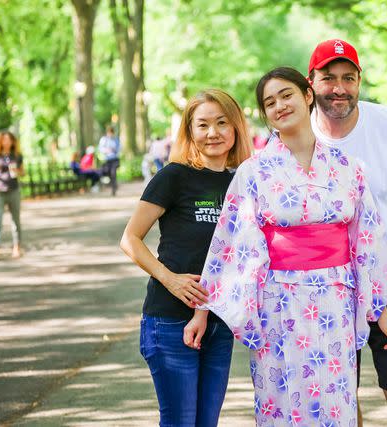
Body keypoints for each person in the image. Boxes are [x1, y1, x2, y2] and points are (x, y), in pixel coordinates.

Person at [184, 67, 387, 426]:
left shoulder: (349, 168)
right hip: (279, 303)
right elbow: (231, 246)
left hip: (336, 299)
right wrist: (202, 311)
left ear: (306, 95)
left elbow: (367, 240)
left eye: (286, 95)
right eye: (269, 103)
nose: (279, 106)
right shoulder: (254, 172)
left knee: (336, 398)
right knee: (281, 401)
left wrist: (382, 312)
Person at [308, 39, 387, 427]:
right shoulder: (299, 136)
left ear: (360, 80)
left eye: (349, 78)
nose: (339, 88)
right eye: (328, 78)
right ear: (310, 82)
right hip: (329, 283)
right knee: (339, 392)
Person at [119, 89, 252, 426]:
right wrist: (171, 279)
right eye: (203, 124)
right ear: (190, 132)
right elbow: (130, 239)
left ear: (236, 127)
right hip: (169, 321)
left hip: (217, 322)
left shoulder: (242, 182)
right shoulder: (173, 177)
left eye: (222, 123)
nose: (213, 133)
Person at [0, 130, 24, 260]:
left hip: (13, 190)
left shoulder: (17, 156)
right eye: (4, 139)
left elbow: (23, 173)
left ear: (13, 141)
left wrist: (17, 170)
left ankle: (17, 247)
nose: (6, 142)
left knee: (16, 220)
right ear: (0, 141)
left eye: (9, 139)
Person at [98, 125, 121, 196]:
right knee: (107, 172)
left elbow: (119, 149)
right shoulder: (104, 140)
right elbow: (100, 148)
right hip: (107, 160)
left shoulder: (116, 139)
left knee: (113, 173)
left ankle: (114, 189)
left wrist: (114, 150)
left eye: (111, 133)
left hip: (114, 159)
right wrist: (106, 150)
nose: (110, 134)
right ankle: (113, 184)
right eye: (109, 132)